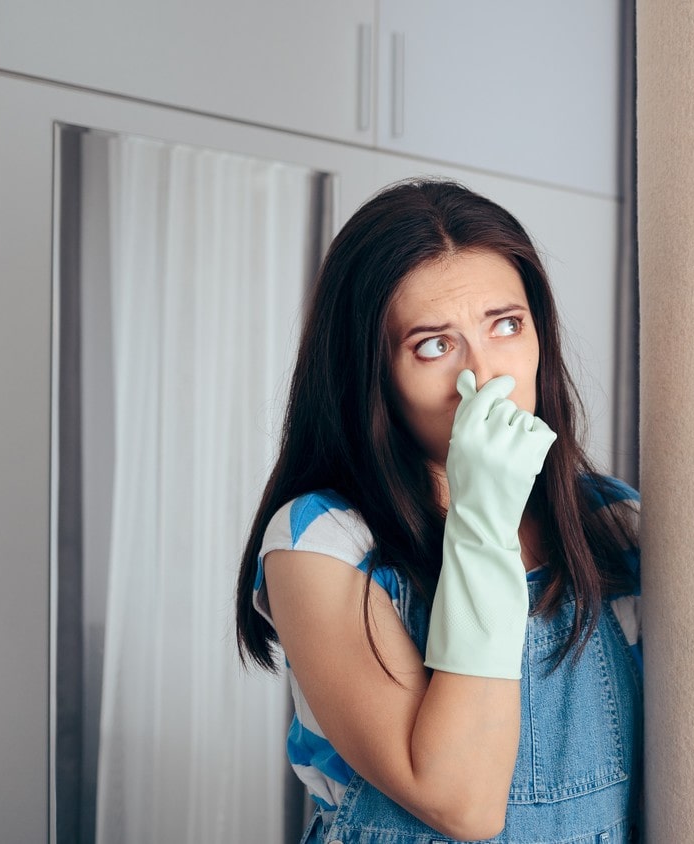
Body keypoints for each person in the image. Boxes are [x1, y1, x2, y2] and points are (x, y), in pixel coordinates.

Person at [234, 180, 643, 843]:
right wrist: (483, 516)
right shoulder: (320, 543)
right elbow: (461, 802)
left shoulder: (616, 524)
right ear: (372, 375)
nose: (485, 377)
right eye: (433, 345)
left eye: (506, 325)